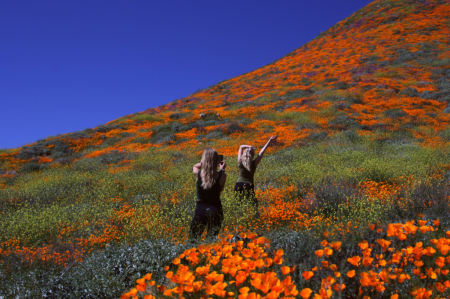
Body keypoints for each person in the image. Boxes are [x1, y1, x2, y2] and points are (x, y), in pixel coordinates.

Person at [189, 148, 227, 241]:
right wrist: (221, 170)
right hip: (215, 209)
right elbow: (220, 190)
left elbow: (195, 166)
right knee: (211, 240)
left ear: (204, 160)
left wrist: (202, 164)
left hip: (200, 210)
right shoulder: (222, 176)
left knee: (193, 239)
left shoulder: (197, 173)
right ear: (217, 161)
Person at [235, 136, 278, 216]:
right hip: (248, 185)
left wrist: (249, 147)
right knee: (254, 204)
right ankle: (256, 218)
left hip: (239, 185)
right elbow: (261, 152)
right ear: (252, 154)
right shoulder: (254, 164)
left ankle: (238, 218)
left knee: (238, 204)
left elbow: (241, 146)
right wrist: (269, 140)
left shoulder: (240, 161)